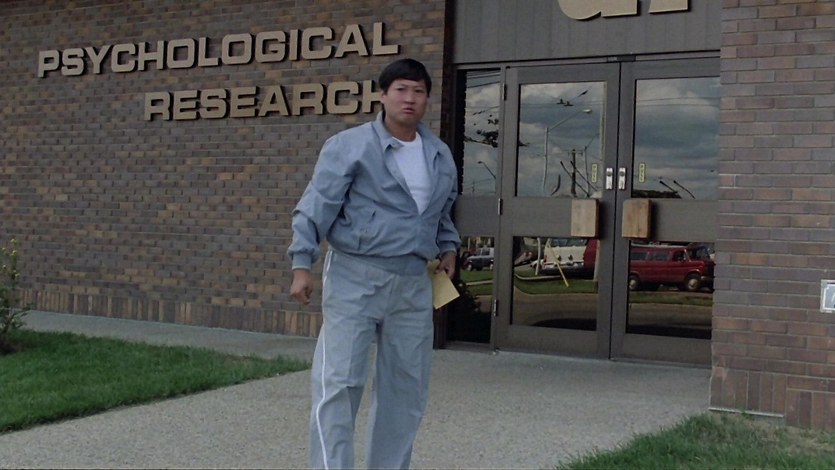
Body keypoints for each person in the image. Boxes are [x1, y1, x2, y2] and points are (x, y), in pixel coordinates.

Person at [287, 58, 460, 469]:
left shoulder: (439, 155)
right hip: (355, 276)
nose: (409, 98)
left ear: (427, 100)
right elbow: (316, 206)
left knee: (406, 391)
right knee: (339, 384)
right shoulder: (349, 146)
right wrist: (301, 264)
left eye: (418, 91)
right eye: (401, 89)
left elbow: (442, 213)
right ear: (382, 95)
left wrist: (449, 248)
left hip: (413, 283)